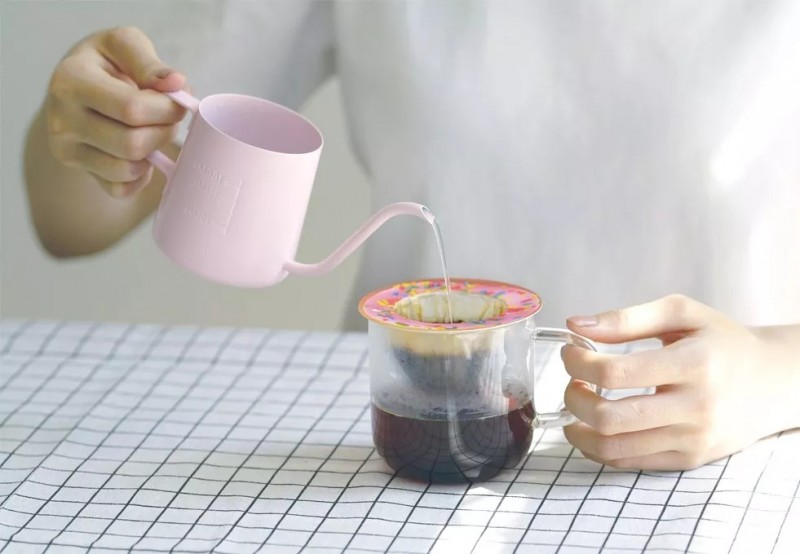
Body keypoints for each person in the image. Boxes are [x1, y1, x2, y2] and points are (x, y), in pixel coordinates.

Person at [23, 2, 800, 471]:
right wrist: (95, 129)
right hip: (388, 483)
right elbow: (71, 220)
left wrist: (776, 372)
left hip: (744, 468)